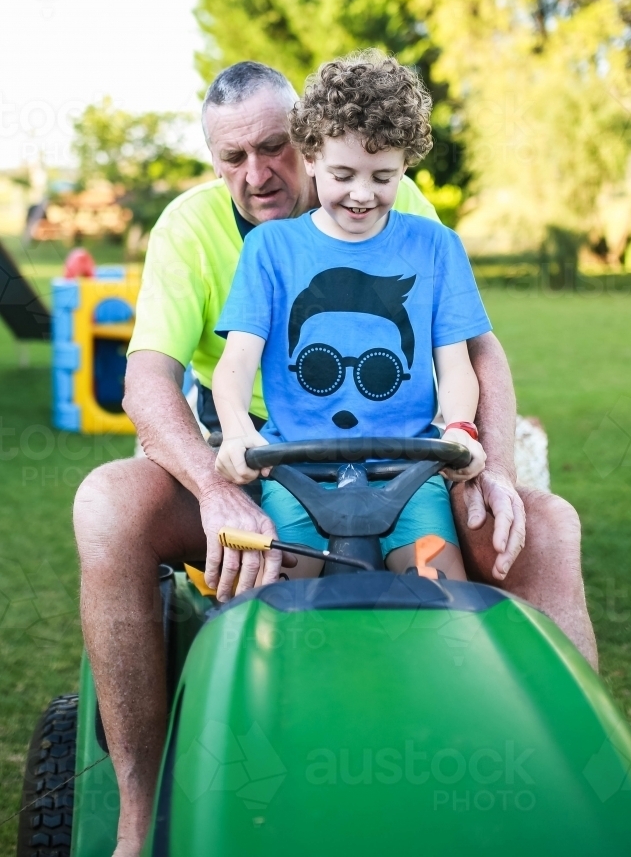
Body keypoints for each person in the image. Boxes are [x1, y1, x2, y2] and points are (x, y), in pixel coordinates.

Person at [72, 59, 597, 857]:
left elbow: (476, 351)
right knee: (106, 505)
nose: (258, 174)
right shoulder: (196, 227)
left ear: (310, 140)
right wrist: (217, 489)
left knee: (547, 525)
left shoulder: (389, 200)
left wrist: (490, 467)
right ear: (214, 161)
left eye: (274, 147)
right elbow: (148, 382)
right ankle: (142, 814)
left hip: (409, 448)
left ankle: (569, 798)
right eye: (232, 158)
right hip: (244, 449)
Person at [213, 52, 488, 581]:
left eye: (383, 176)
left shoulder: (436, 247)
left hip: (410, 474)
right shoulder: (272, 248)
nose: (363, 195)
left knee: (439, 591)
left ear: (406, 164)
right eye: (343, 174)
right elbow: (237, 360)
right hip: (297, 473)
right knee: (276, 596)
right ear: (310, 156)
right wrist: (236, 431)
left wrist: (459, 429)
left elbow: (455, 364)